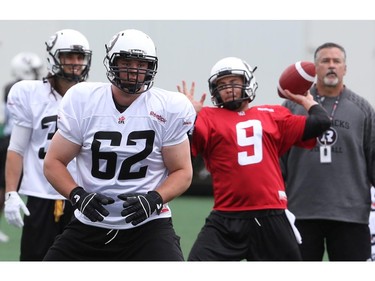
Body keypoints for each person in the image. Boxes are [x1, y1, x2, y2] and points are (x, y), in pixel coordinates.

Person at [42, 28, 196, 261]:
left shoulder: (169, 107)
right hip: (89, 224)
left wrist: (154, 199)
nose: (134, 70)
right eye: (127, 62)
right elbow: (54, 162)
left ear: (150, 67)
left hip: (148, 226)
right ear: (112, 62)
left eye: (141, 64)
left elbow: (182, 171)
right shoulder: (84, 100)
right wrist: (78, 196)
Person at [177, 56, 331, 261]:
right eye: (222, 85)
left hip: (271, 214)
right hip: (227, 215)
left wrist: (307, 101)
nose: (228, 88)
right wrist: (189, 116)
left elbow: (321, 123)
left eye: (234, 82)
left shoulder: (274, 114)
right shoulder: (207, 116)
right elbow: (184, 149)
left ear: (248, 82)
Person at [280, 42, 375, 261]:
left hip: (350, 215)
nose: (331, 66)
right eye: (325, 61)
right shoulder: (292, 106)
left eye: (336, 61)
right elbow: (279, 161)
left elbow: (372, 159)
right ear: (314, 69)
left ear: (345, 68)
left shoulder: (362, 109)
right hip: (300, 212)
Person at [4, 29, 92, 260]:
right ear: (54, 58)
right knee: (35, 262)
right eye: (68, 56)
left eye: (79, 57)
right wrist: (11, 192)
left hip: (82, 194)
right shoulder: (30, 93)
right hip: (40, 194)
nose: (75, 63)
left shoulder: (93, 96)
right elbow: (17, 148)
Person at [0, 52, 43, 243]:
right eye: (33, 70)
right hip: (11, 140)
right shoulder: (16, 88)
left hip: (23, 139)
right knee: (4, 186)